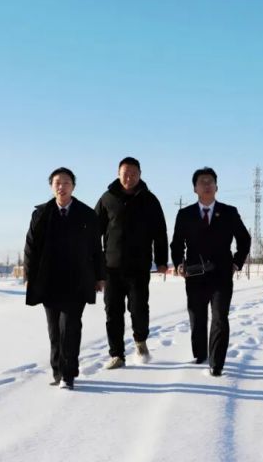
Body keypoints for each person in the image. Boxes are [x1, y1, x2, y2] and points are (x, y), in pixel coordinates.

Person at [24, 167, 105, 390]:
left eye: (66, 182)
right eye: (57, 183)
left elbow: (96, 248)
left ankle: (68, 374)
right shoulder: (41, 214)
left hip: (77, 280)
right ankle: (58, 371)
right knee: (54, 330)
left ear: (73, 186)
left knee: (70, 326)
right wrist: (29, 276)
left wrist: (99, 276)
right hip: (49, 280)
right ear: (52, 186)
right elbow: (30, 247)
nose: (62, 187)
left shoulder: (87, 214)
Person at [170, 167, 251, 377]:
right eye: (202, 182)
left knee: (220, 318)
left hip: (221, 274)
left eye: (210, 181)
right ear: (195, 188)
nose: (206, 185)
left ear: (216, 186)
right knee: (197, 317)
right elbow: (177, 244)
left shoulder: (229, 212)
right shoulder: (185, 214)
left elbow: (244, 239)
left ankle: (217, 363)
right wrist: (178, 264)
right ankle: (200, 355)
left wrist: (236, 263)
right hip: (195, 274)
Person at [95, 157, 168, 369]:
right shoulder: (107, 198)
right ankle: (117, 354)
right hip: (111, 267)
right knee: (113, 312)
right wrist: (94, 264)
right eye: (125, 173)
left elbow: (160, 232)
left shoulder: (150, 200)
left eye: (133, 173)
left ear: (140, 175)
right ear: (118, 174)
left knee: (139, 309)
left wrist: (161, 260)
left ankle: (140, 341)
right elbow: (93, 232)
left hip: (139, 266)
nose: (129, 177)